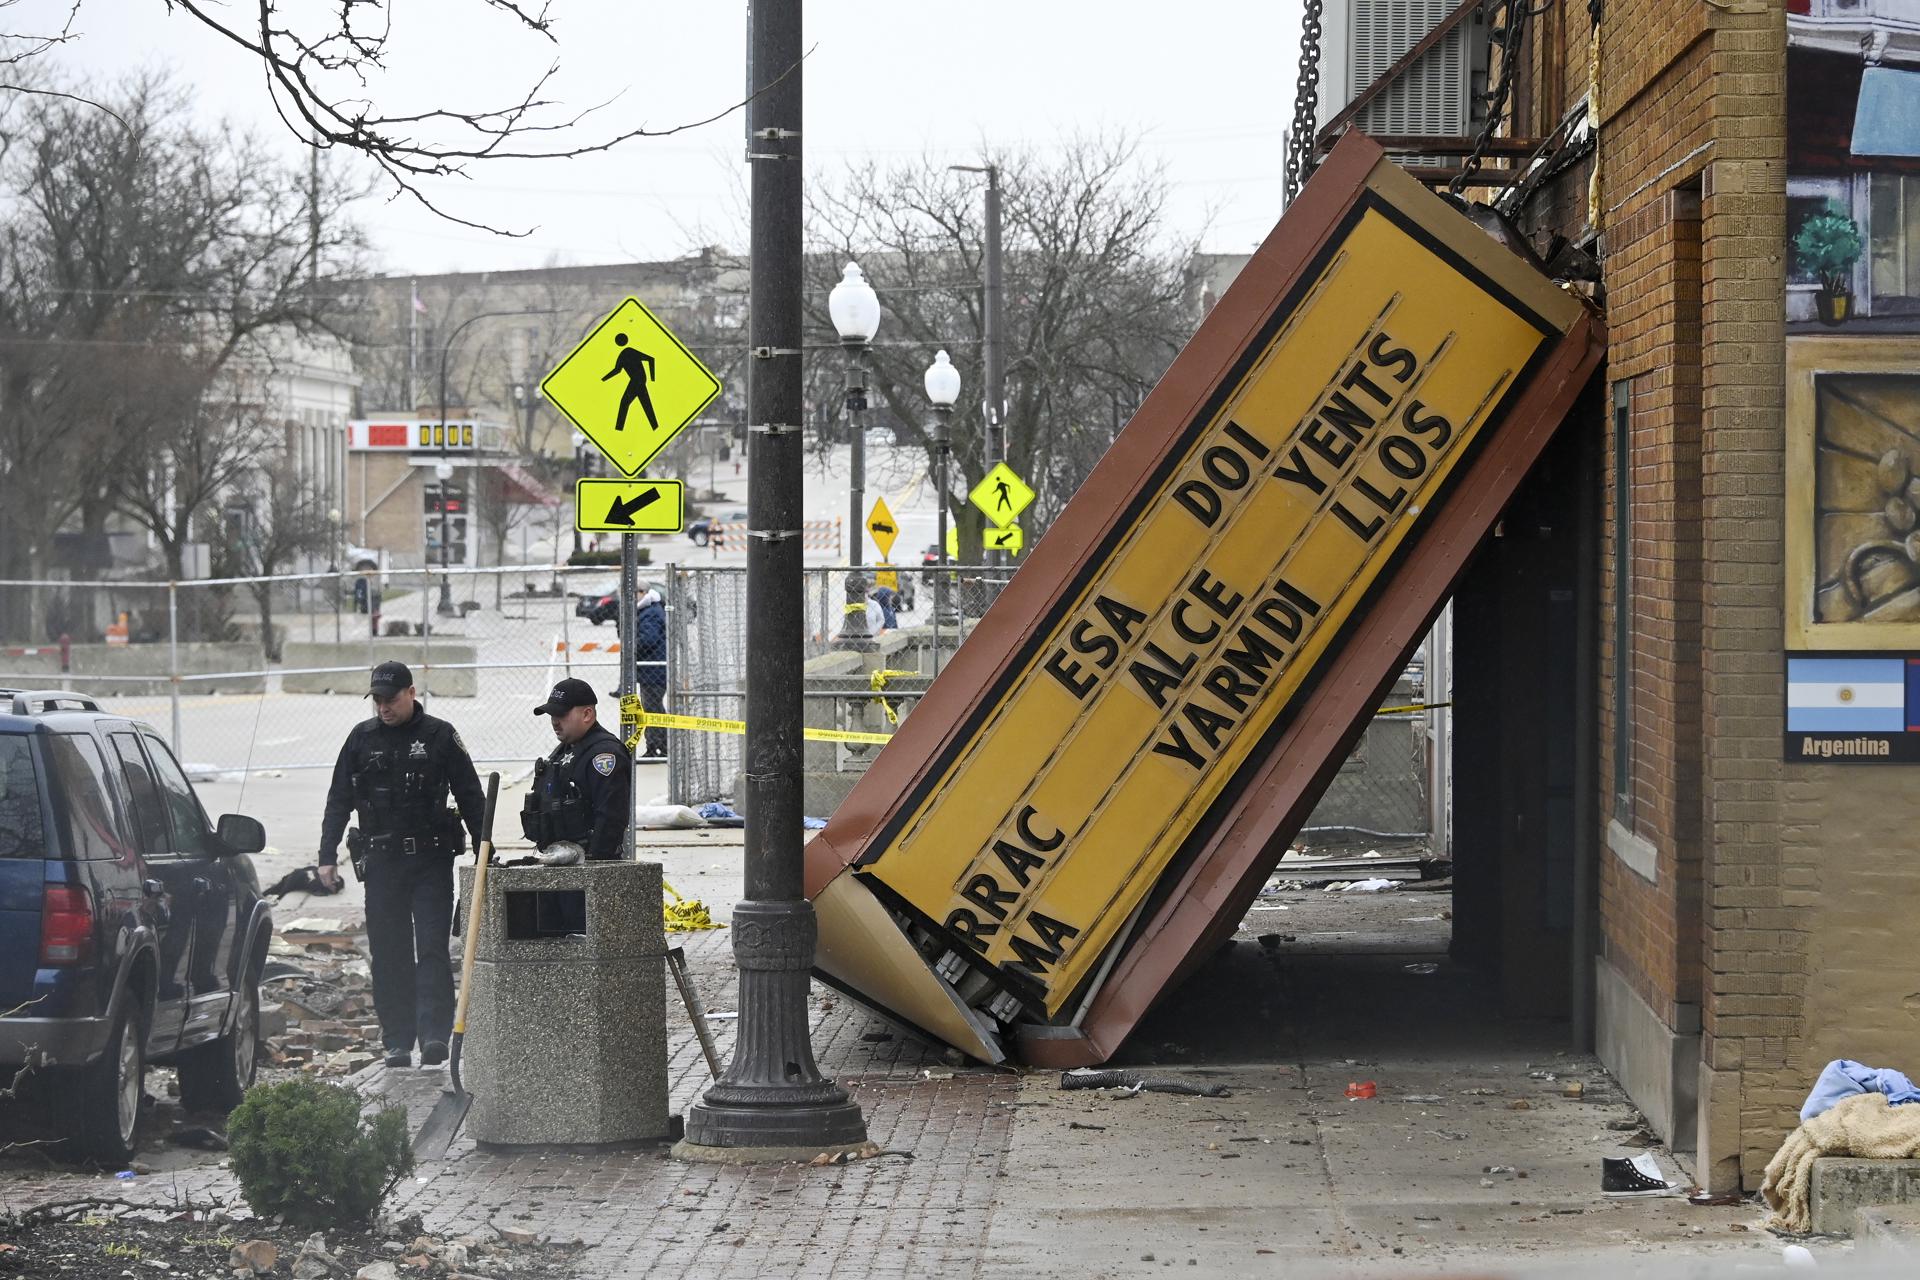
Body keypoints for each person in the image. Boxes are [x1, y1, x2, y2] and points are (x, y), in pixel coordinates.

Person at [318, 661, 485, 1069]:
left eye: (390, 699)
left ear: (411, 693)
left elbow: (470, 794)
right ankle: (396, 1040)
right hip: (382, 864)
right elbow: (338, 799)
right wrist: (326, 856)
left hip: (429, 860)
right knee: (388, 951)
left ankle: (433, 1036)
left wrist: (485, 849)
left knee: (430, 948)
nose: (383, 708)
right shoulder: (361, 739)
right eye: (377, 700)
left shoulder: (439, 736)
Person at [521, 677, 632, 865]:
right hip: (559, 860)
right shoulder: (566, 749)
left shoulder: (604, 754)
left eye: (561, 715)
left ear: (587, 714)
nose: (555, 722)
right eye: (552, 715)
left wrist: (593, 864)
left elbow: (610, 817)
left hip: (586, 866)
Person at [633, 588, 668, 759]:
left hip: (654, 671)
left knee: (651, 709)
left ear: (641, 592)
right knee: (654, 708)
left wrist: (632, 644)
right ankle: (661, 745)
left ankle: (656, 747)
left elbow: (648, 639)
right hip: (652, 670)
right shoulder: (648, 610)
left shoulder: (650, 613)